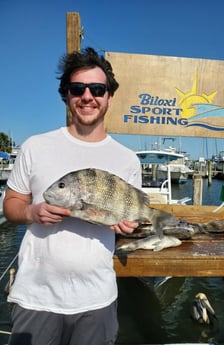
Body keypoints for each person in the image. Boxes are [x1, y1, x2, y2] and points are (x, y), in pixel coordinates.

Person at [3, 47, 142, 345]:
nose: (88, 96)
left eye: (97, 89)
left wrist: (127, 228)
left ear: (109, 97)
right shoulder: (35, 146)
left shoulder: (128, 159)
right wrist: (31, 212)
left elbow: (130, 219)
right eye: (77, 89)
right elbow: (12, 204)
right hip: (36, 298)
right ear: (66, 95)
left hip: (97, 299)